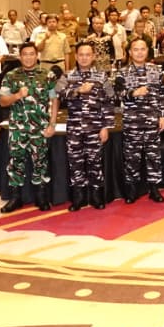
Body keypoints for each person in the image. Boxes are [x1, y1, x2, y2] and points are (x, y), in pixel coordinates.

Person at [0, 42, 58, 213]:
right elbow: (2, 101)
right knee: (16, 162)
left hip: (40, 128)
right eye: (25, 54)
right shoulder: (11, 76)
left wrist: (52, 124)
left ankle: (41, 196)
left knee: (41, 161)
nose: (29, 57)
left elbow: (54, 100)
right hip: (18, 128)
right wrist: (17, 95)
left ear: (37, 56)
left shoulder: (48, 75)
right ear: (20, 56)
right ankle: (15, 197)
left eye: (32, 54)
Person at [57, 42, 116, 211]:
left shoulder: (101, 77)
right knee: (75, 162)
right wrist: (77, 91)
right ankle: (79, 198)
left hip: (95, 127)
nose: (84, 58)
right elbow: (57, 93)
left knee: (95, 162)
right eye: (81, 55)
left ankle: (96, 196)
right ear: (76, 56)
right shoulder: (67, 76)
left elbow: (109, 101)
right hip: (74, 127)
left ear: (93, 56)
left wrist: (106, 126)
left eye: (88, 54)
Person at [117, 38, 164, 203]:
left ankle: (154, 189)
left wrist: (162, 115)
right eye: (136, 49)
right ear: (130, 52)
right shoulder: (122, 73)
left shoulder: (157, 71)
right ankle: (132, 190)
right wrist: (133, 93)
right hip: (132, 122)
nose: (139, 53)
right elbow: (117, 94)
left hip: (152, 120)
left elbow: (163, 94)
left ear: (147, 51)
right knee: (132, 157)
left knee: (153, 156)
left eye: (142, 49)